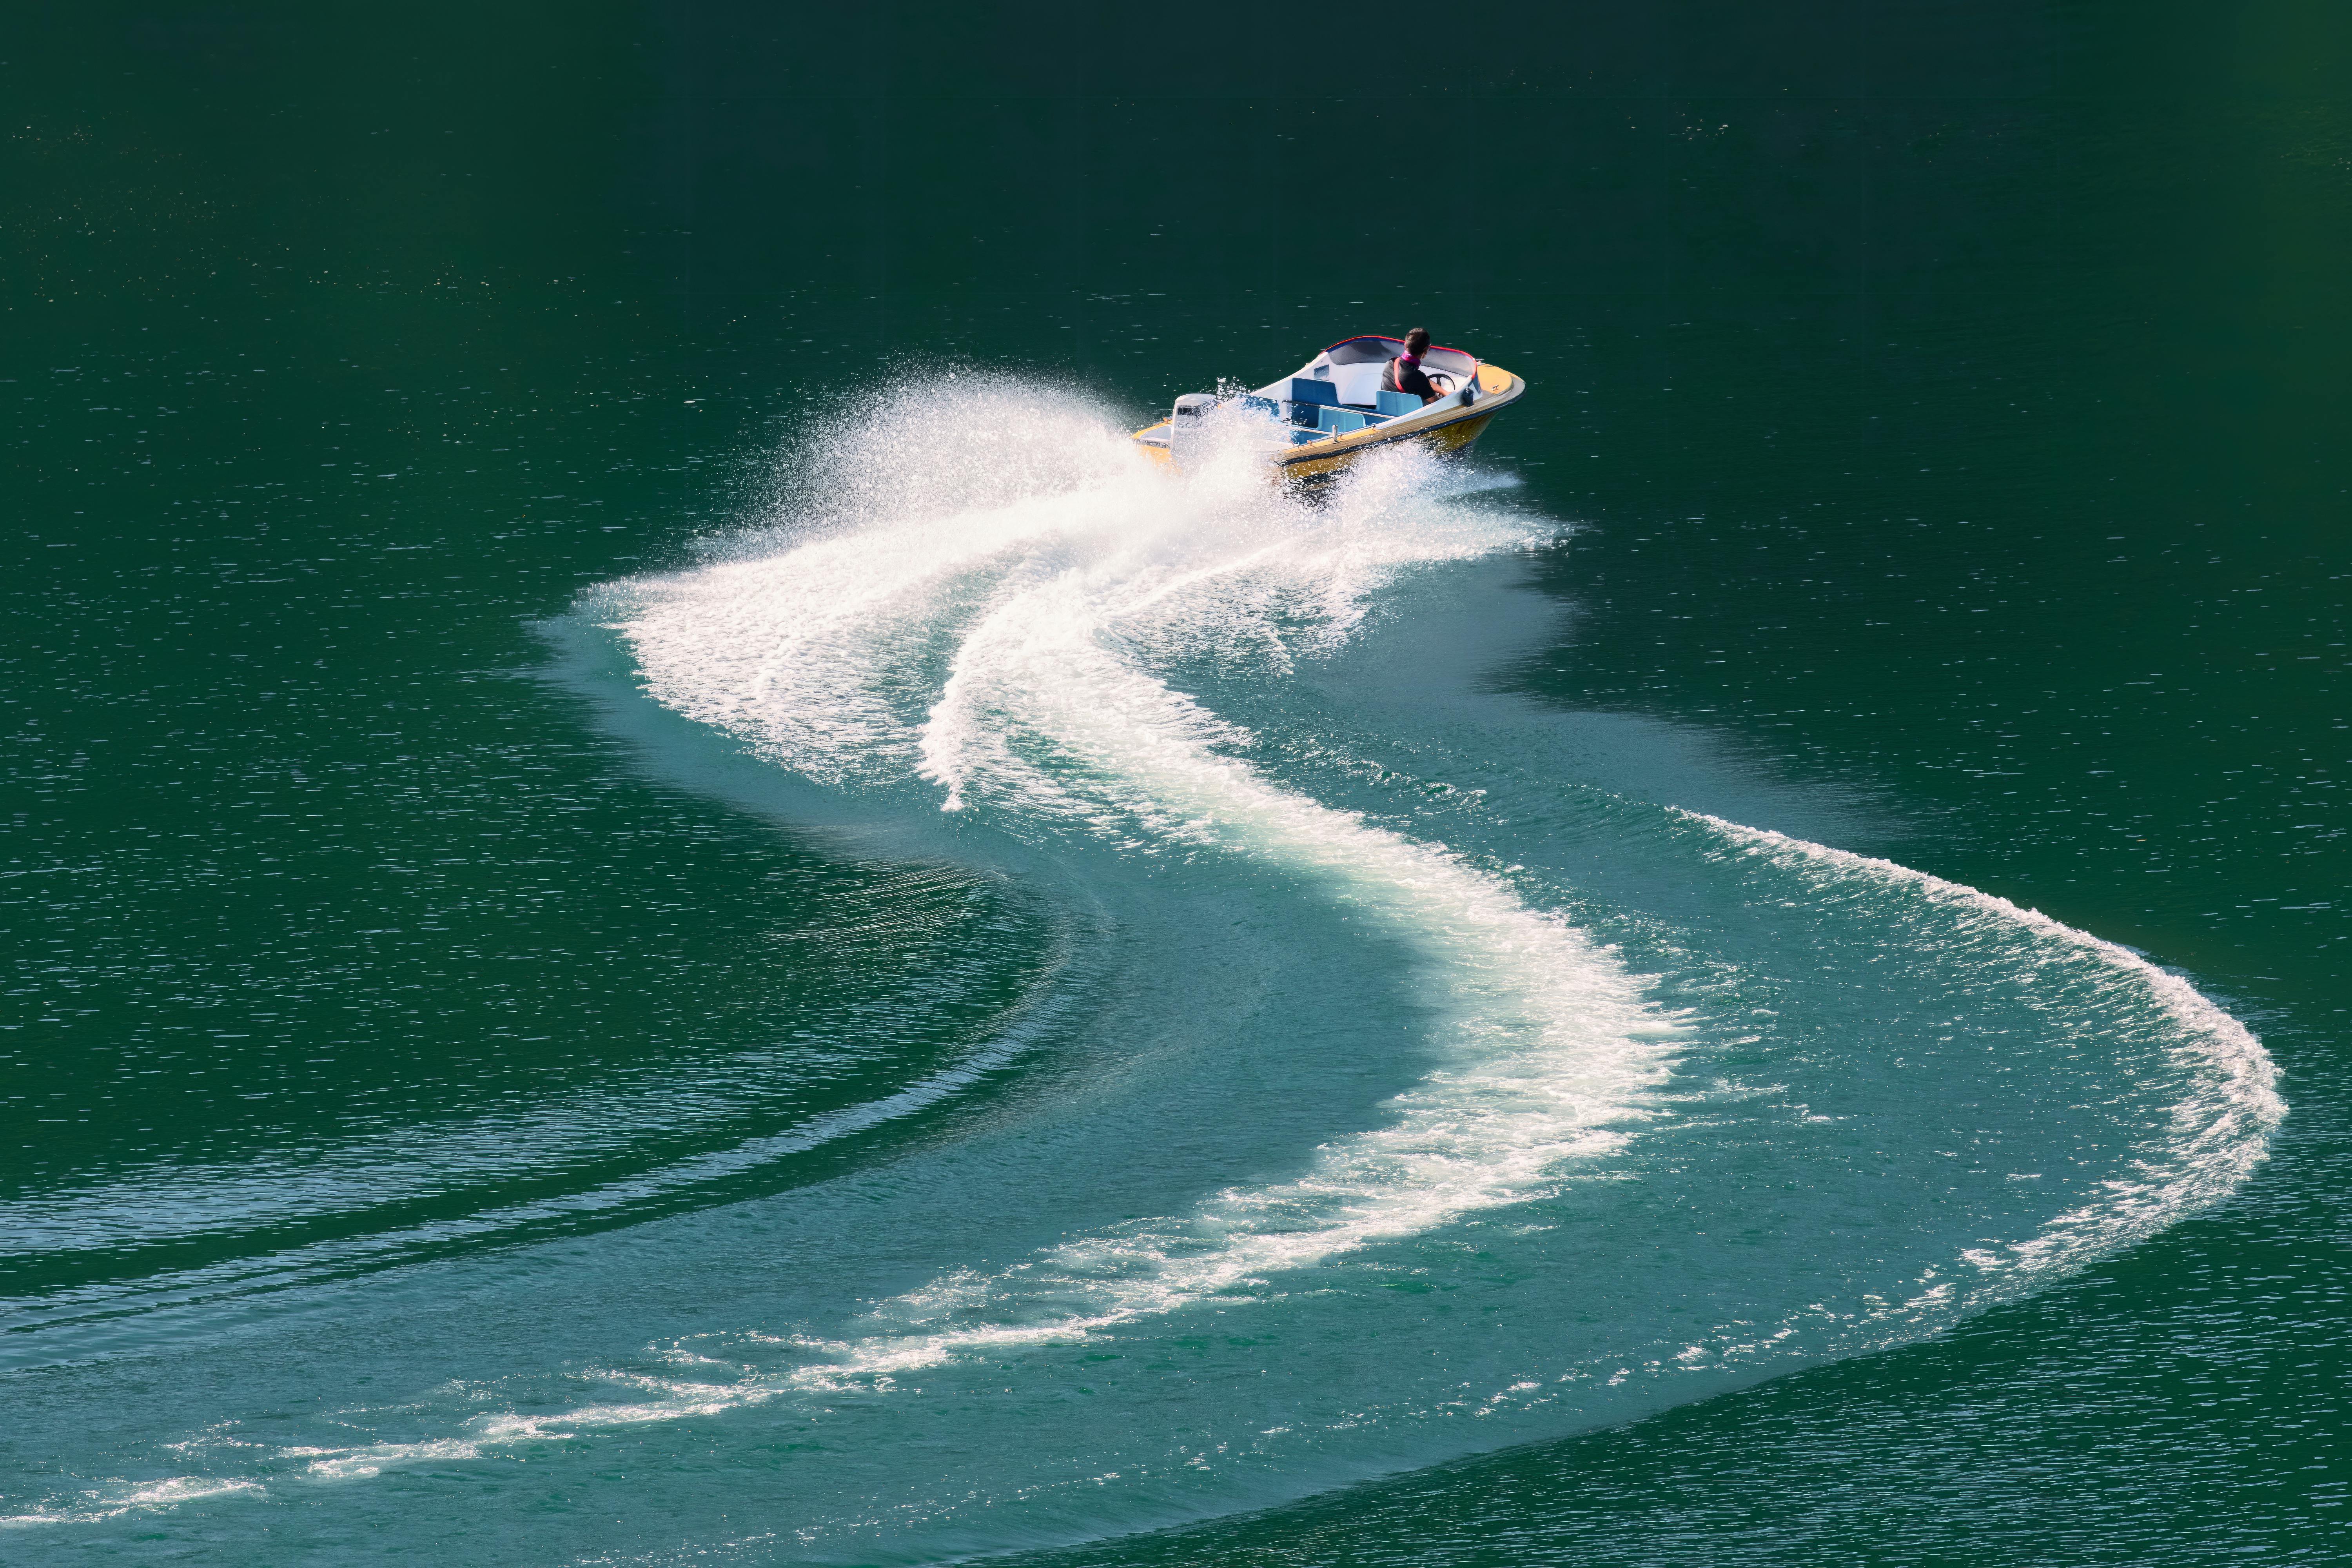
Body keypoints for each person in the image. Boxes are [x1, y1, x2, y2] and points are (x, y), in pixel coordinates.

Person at [1382, 327, 1449, 405]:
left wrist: (1445, 392)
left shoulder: (1391, 363)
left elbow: (1422, 381)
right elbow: (1434, 401)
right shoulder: (1416, 376)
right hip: (1408, 412)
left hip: (1387, 407)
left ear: (1406, 345)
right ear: (1426, 350)